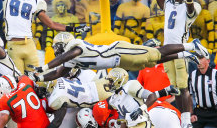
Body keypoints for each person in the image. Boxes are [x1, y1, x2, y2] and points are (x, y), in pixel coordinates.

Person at [151, 0, 202, 128]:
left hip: (180, 49)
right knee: (175, 88)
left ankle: (187, 119)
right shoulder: (169, 5)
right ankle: (183, 116)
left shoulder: (190, 9)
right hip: (167, 49)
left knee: (183, 85)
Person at [28, 32, 205, 82]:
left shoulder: (75, 47)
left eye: (58, 46)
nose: (56, 50)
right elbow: (58, 73)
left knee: (156, 52)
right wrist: (40, 78)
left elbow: (62, 58)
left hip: (119, 51)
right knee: (152, 61)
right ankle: (184, 55)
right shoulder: (69, 58)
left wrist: (42, 67)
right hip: (119, 61)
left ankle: (191, 44)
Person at [188, 54, 217, 128]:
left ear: (208, 61)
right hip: (200, 112)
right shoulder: (192, 75)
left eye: (200, 58)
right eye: (196, 59)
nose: (198, 61)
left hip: (215, 110)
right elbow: (189, 96)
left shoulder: (215, 74)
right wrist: (191, 114)